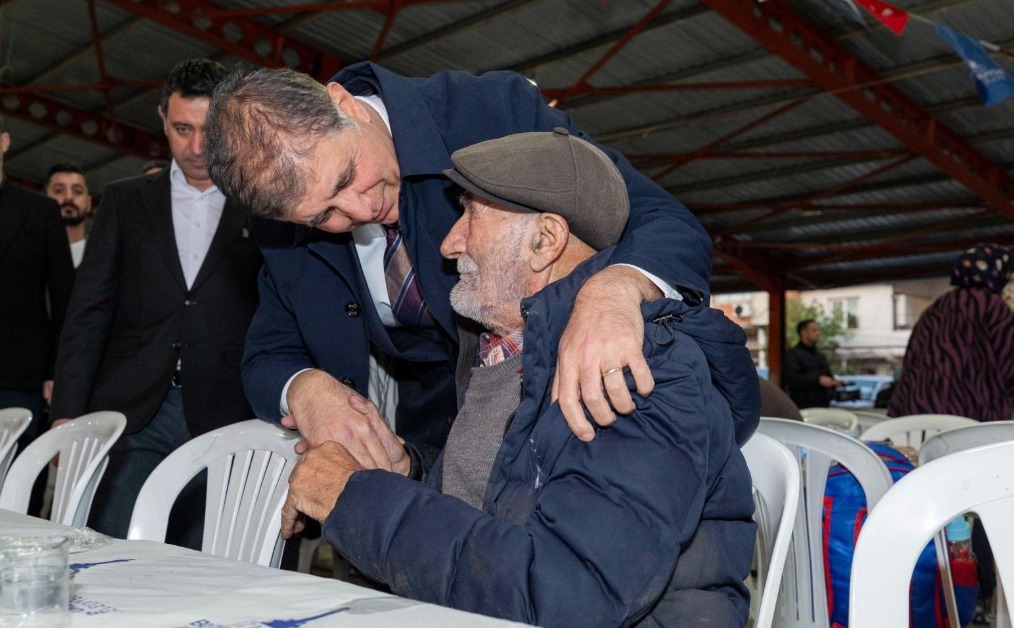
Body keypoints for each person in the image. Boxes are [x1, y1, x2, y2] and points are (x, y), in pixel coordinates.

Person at [279, 129, 758, 627]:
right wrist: (407, 474)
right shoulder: (505, 353)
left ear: (545, 240)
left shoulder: (631, 368)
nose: (448, 243)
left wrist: (354, 497)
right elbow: (504, 506)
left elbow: (569, 597)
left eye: (470, 215)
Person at [203, 64, 736, 468]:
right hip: (431, 450)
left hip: (561, 427)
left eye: (346, 177)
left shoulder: (489, 112)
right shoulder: (286, 225)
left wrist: (614, 291)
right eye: (325, 215)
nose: (361, 211)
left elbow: (664, 220)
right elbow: (269, 352)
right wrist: (304, 387)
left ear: (346, 104)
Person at [49, 59, 263, 546]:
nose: (195, 147)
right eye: (182, 129)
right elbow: (90, 310)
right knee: (110, 550)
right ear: (162, 117)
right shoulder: (124, 201)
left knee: (200, 561)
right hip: (132, 410)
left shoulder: (261, 205)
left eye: (209, 130)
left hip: (224, 412)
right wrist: (66, 409)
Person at [0, 117, 76, 511]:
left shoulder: (40, 212)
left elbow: (64, 298)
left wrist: (57, 373)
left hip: (22, 376)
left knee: (18, 491)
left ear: (5, 141)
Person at [888, 243, 1014, 422]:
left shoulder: (936, 307)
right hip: (968, 416)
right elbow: (1009, 362)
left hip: (915, 414)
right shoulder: (992, 306)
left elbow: (911, 358)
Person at [783, 319, 843, 409]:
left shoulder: (820, 356)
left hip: (823, 405)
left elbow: (828, 375)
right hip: (803, 406)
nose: (818, 333)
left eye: (818, 330)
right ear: (803, 332)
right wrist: (817, 380)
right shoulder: (793, 355)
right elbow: (792, 379)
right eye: (814, 330)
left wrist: (833, 383)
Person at [44, 163, 93, 268]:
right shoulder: (23, 254)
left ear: (89, 204)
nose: (68, 197)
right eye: (58, 191)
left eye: (77, 191)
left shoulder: (107, 259)